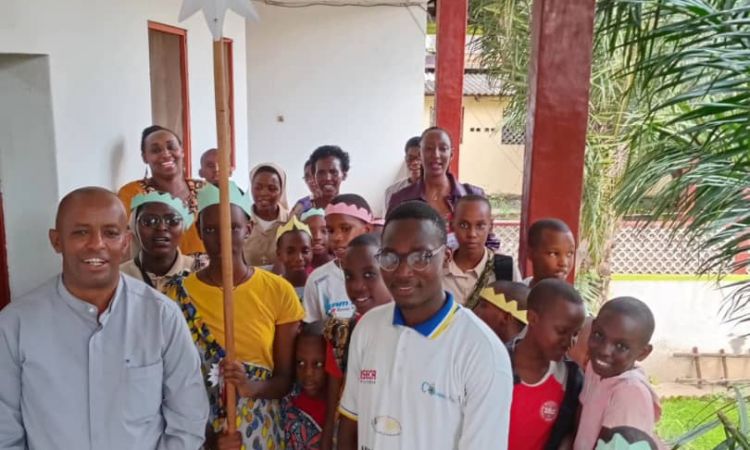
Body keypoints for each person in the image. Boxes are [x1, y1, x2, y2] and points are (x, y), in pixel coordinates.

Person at [0, 187, 208, 449]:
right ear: (56, 241)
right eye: (81, 232)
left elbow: (188, 418)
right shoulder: (15, 325)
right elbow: (4, 430)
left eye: (110, 233)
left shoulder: (161, 317)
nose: (97, 244)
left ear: (125, 242)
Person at [337, 201, 513, 450]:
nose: (403, 271)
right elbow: (350, 422)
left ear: (445, 259)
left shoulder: (482, 353)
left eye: (421, 257)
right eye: (390, 257)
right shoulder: (368, 329)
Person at [165, 181, 304, 450]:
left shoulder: (278, 291)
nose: (223, 238)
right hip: (198, 429)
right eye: (211, 229)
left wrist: (250, 387)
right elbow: (172, 384)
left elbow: (286, 379)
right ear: (198, 232)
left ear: (248, 228)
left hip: (260, 428)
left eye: (233, 227)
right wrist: (210, 439)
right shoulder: (176, 296)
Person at [320, 233, 392, 450]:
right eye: (349, 276)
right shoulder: (343, 331)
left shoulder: (411, 330)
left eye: (370, 274)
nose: (357, 286)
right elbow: (337, 401)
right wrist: (328, 436)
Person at [387, 127, 500, 250]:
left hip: (465, 269)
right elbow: (389, 243)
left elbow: (490, 242)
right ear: (420, 154)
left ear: (451, 154)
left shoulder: (473, 195)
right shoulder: (401, 199)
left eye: (443, 149)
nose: (436, 155)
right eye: (429, 148)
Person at [507, 279, 586, 450]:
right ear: (532, 318)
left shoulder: (571, 380)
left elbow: (570, 432)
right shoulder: (496, 365)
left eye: (575, 334)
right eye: (561, 331)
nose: (569, 342)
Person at [574, 297, 661, 450]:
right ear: (593, 328)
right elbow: (581, 414)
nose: (604, 351)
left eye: (621, 346)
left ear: (643, 353)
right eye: (599, 335)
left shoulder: (630, 394)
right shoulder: (596, 369)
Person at [118, 125, 206, 255]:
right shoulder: (132, 193)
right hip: (154, 273)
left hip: (208, 273)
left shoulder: (206, 190)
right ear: (144, 157)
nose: (165, 154)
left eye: (171, 147)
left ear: (182, 151)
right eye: (155, 150)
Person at [302, 194, 373, 322]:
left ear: (367, 230)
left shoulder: (386, 274)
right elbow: (312, 333)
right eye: (330, 230)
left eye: (346, 229)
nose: (336, 237)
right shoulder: (318, 280)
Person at [120, 191, 205, 293]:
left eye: (172, 220)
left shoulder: (199, 273)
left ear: (183, 227)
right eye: (149, 221)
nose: (161, 228)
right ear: (134, 227)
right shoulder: (119, 277)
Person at [444, 195, 519, 306]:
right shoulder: (439, 268)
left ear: (490, 227)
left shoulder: (504, 268)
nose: (472, 234)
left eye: (480, 226)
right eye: (464, 225)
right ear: (452, 225)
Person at [282, 324, 329, 450]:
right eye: (300, 363)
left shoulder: (342, 409)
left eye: (318, 364)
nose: (308, 373)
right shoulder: (288, 406)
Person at [243, 163, 290, 268]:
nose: (264, 193)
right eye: (258, 188)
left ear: (281, 191)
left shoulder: (290, 221)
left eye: (272, 188)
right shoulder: (241, 221)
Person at [292, 145, 351, 216]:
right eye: (321, 173)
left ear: (344, 175)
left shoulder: (352, 208)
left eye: (333, 172)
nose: (327, 178)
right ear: (314, 176)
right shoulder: (302, 210)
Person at [525, 218, 576, 287]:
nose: (564, 263)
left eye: (569, 253)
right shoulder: (516, 295)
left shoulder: (572, 297)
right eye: (553, 254)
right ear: (530, 253)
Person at [275, 216, 314, 300]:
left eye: (305, 251)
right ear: (279, 254)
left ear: (312, 252)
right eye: (290, 252)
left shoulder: (319, 286)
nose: (299, 258)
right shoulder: (273, 288)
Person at [383, 136, 422, 210]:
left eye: (419, 158)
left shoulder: (433, 190)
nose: (415, 162)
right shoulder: (392, 191)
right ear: (405, 159)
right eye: (410, 158)